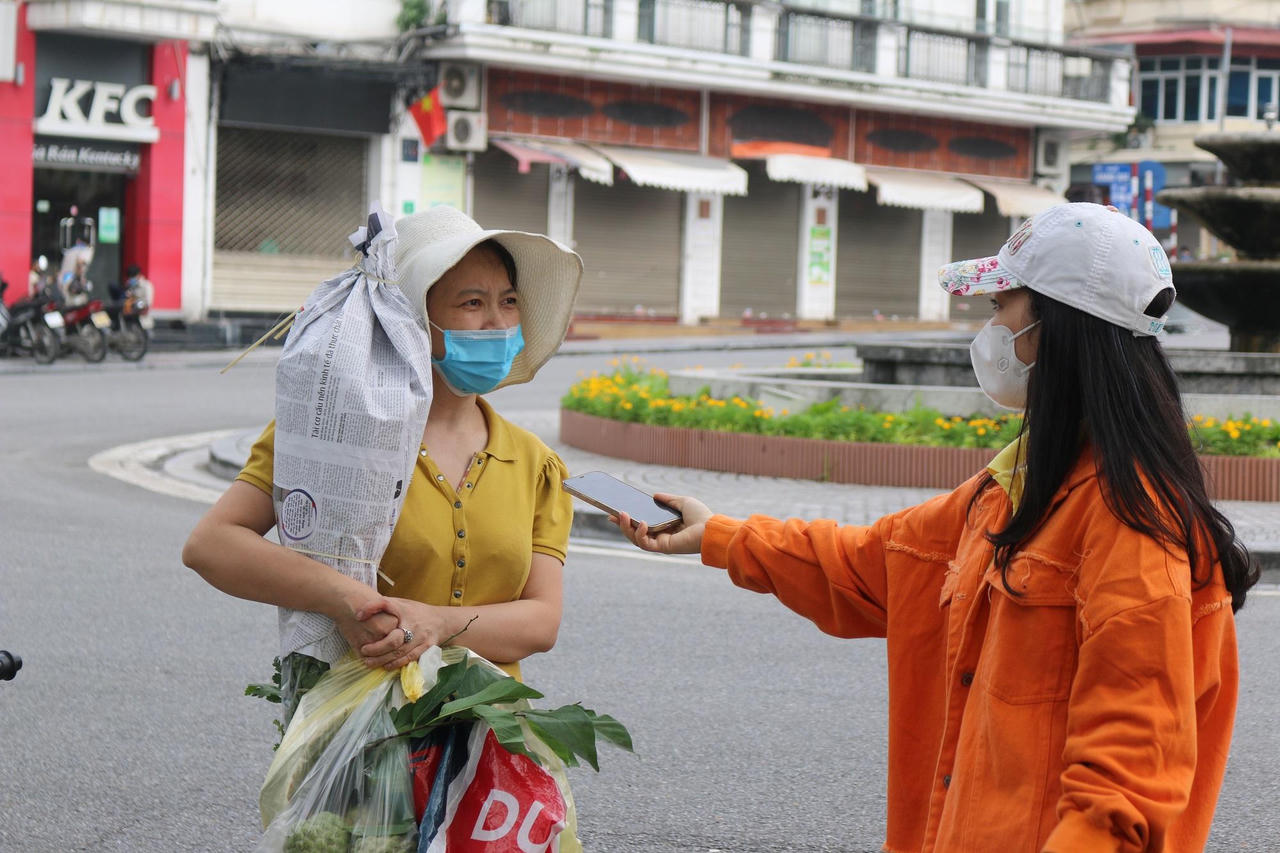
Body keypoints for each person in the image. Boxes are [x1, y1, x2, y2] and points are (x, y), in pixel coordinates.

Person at [613, 203, 1258, 852]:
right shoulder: (1009, 490)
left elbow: (1119, 800)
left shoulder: (1134, 529)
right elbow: (870, 560)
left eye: (1001, 305)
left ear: (1053, 327)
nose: (989, 329)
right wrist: (720, 534)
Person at [182, 205, 584, 689]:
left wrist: (439, 626)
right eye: (473, 303)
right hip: (352, 733)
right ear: (414, 316)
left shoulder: (535, 464)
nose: (498, 323)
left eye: (510, 301)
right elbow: (212, 546)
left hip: (489, 740)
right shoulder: (325, 429)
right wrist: (344, 598)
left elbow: (542, 621)